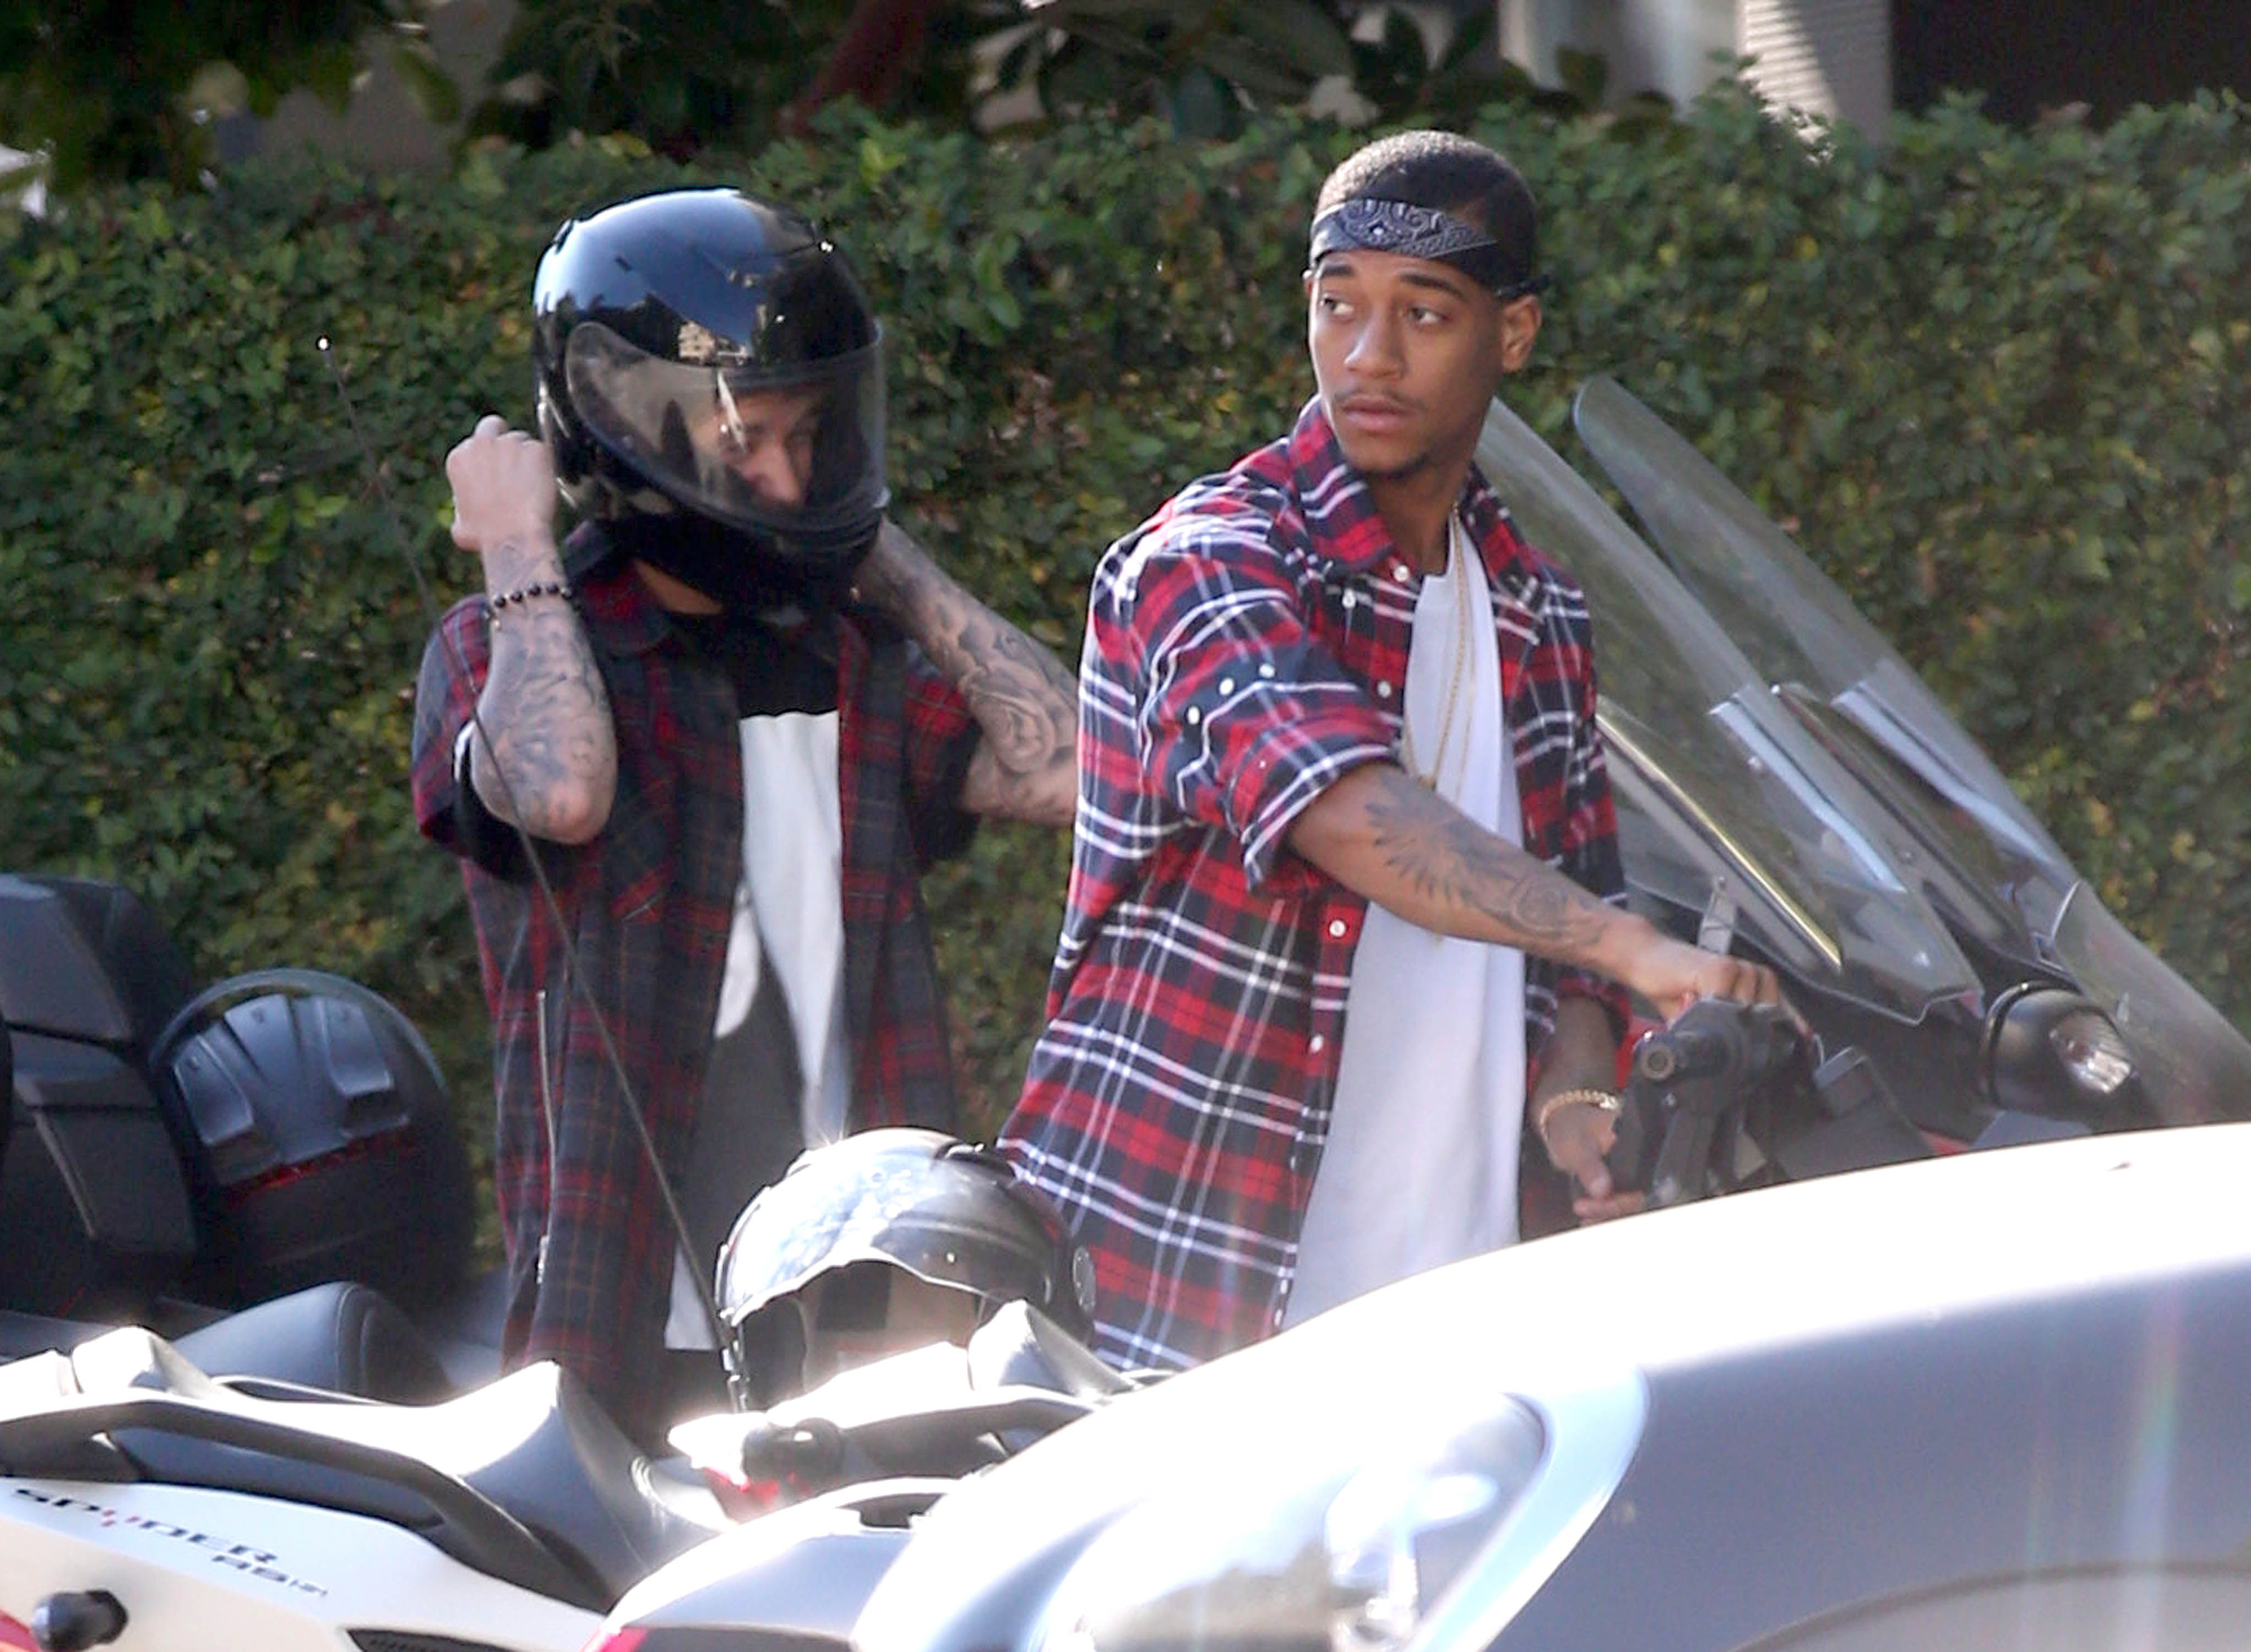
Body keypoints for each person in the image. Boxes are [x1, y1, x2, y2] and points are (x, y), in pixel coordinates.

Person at [999, 131, 1785, 1373]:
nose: (1368, 354)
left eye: (1422, 313)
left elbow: (1576, 917)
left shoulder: (1536, 608)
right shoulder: (1210, 560)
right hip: (1178, 1290)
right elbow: (1341, 808)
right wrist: (1628, 951)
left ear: (1511, 334)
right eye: (1338, 305)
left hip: (1452, 1315)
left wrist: (1578, 1101)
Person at [410, 187, 1079, 1443]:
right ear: (629, 428)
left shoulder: (850, 652)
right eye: (747, 437)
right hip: (628, 1315)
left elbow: (1073, 772)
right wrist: (512, 546)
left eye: (808, 434)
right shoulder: (505, 650)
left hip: (875, 1301)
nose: (785, 473)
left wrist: (874, 549)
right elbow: (560, 792)